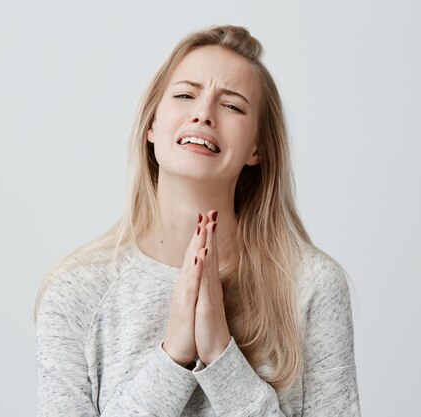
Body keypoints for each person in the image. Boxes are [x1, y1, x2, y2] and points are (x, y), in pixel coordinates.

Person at [34, 24, 361, 416]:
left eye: (233, 105)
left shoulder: (311, 287)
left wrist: (221, 353)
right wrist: (174, 356)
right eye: (186, 95)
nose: (203, 113)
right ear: (152, 125)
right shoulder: (75, 291)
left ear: (257, 148)